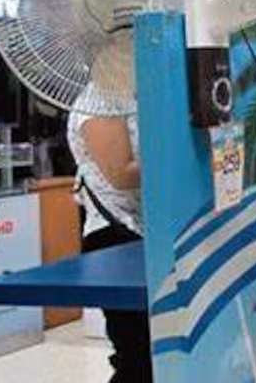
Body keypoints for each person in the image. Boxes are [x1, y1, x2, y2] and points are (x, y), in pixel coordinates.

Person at [68, 89, 151, 383]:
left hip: (150, 233)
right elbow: (121, 174)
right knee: (137, 354)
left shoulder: (140, 95)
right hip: (114, 237)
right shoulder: (97, 101)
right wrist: (176, 155)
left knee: (155, 348)